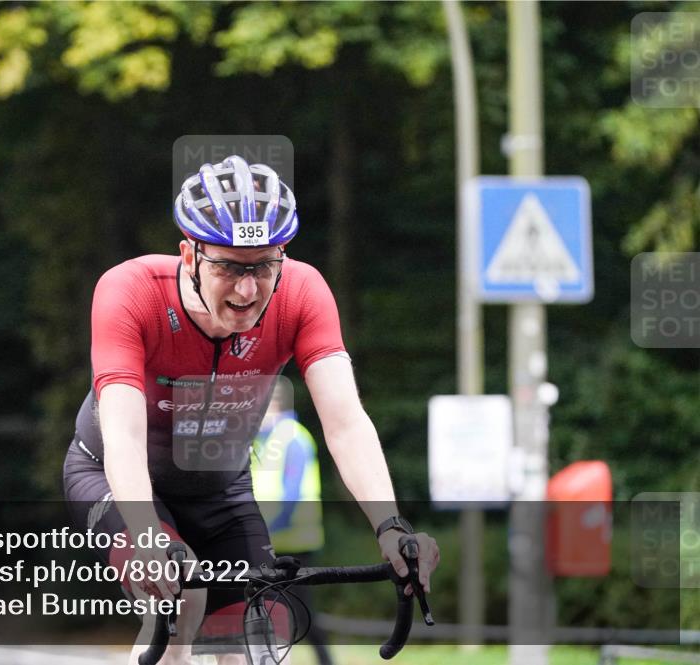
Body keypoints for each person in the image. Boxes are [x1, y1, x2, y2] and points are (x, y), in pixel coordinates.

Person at [63, 155, 439, 665]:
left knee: (255, 637)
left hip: (219, 484)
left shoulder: (303, 292)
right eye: (229, 268)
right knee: (182, 604)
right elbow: (124, 436)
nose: (247, 290)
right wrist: (147, 534)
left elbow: (346, 424)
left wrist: (391, 527)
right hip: (114, 475)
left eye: (264, 266)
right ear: (190, 256)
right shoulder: (131, 293)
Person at [251, 383, 333, 665]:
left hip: (292, 541)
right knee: (284, 610)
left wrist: (267, 532)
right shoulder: (266, 440)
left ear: (272, 406)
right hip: (275, 541)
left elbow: (292, 494)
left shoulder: (293, 438)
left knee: (299, 612)